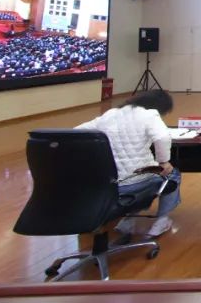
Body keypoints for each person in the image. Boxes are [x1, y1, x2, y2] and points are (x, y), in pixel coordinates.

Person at [75, 89, 181, 237]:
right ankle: (162, 220)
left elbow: (77, 131)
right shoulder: (149, 115)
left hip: (108, 183)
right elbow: (162, 137)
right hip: (136, 180)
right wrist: (163, 162)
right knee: (173, 174)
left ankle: (128, 219)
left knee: (134, 182)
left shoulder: (111, 114)